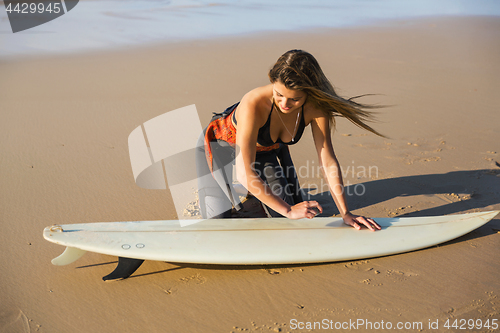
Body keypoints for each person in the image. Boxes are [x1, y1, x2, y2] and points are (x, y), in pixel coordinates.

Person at [196, 49, 382, 231]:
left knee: (288, 221)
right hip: (218, 148)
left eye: (295, 99)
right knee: (217, 225)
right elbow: (245, 173)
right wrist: (288, 210)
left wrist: (346, 213)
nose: (285, 104)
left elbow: (327, 160)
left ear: (309, 92)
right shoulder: (254, 103)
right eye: (279, 94)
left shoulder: (316, 109)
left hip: (263, 153)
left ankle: (251, 197)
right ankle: (237, 191)